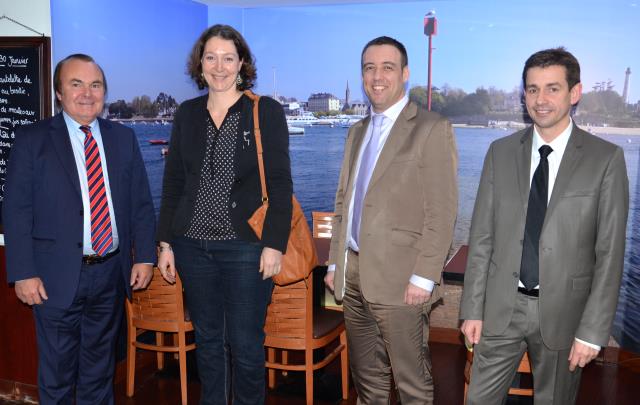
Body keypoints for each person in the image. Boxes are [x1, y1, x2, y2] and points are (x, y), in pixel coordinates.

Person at [460, 47, 629, 404]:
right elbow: (482, 239)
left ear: (575, 92)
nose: (541, 99)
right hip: (500, 310)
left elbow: (609, 253)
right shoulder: (499, 153)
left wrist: (593, 331)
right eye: (532, 89)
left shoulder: (605, 160)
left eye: (552, 88)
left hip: (565, 316)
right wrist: (472, 309)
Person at [3, 53, 156, 404]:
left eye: (95, 85)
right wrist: (23, 272)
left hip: (110, 276)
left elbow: (141, 205)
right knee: (56, 375)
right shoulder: (32, 139)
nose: (87, 93)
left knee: (99, 373)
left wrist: (144, 257)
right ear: (59, 92)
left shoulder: (124, 139)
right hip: (53, 279)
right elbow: (16, 210)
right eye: (77, 84)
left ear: (104, 92)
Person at [156, 24, 292, 405]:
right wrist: (165, 243)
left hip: (246, 248)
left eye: (228, 58)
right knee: (209, 342)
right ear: (200, 64)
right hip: (191, 247)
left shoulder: (264, 111)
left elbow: (280, 184)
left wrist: (274, 245)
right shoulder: (187, 114)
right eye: (211, 57)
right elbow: (174, 183)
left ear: (242, 62)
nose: (219, 66)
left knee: (247, 345)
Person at [325, 36, 458, 404]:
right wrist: (337, 261)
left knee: (412, 384)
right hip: (353, 280)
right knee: (368, 383)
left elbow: (442, 211)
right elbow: (344, 203)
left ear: (405, 74)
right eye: (369, 68)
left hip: (403, 283)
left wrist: (424, 276)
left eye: (387, 67)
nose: (377, 76)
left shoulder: (431, 128)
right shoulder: (356, 132)